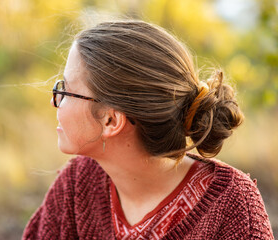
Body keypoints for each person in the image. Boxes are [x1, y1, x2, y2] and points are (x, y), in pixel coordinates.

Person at [22, 20, 274, 239]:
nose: (54, 100)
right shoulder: (77, 185)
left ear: (111, 121)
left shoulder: (234, 208)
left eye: (65, 90)